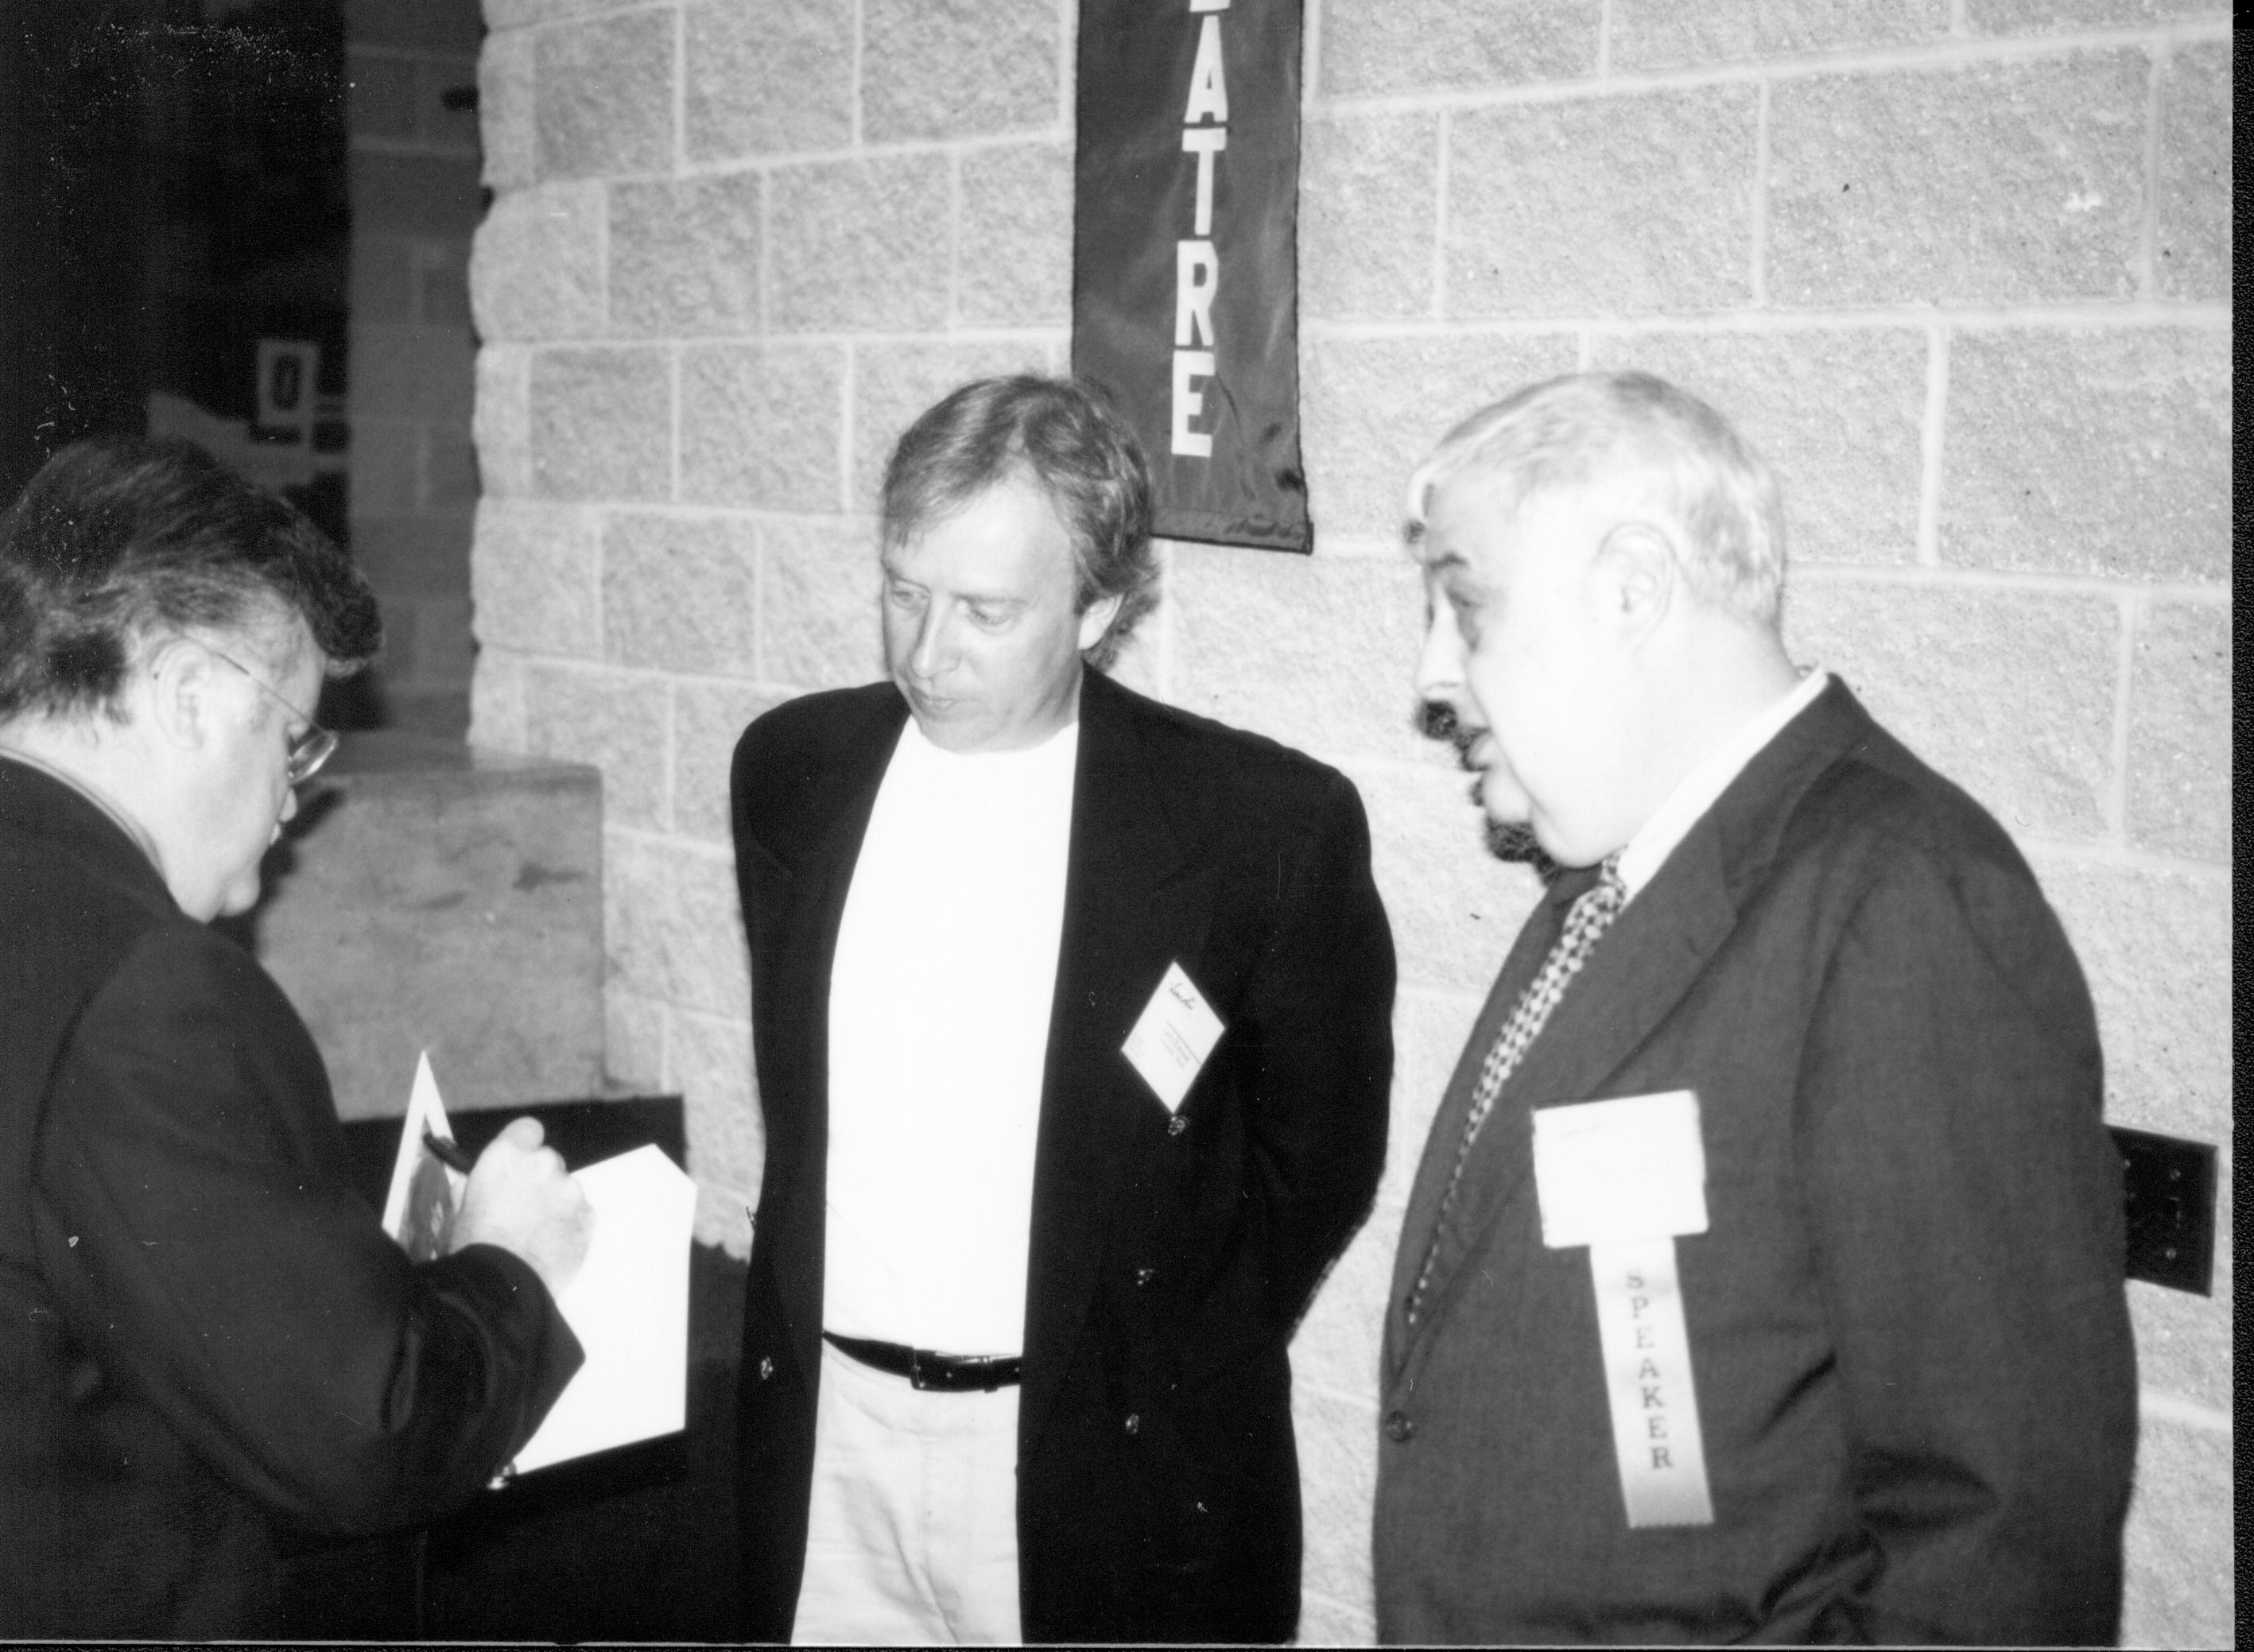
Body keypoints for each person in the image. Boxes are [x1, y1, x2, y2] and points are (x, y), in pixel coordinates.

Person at [1375, 372, 2136, 1643]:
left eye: (1463, 605)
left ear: (1631, 588)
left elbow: (1997, 1542)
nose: (1432, 674)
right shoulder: (1621, 874)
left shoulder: (1904, 897)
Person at [729, 374, 1395, 1643]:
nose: (928, 653)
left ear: (1098, 607)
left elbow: (1317, 1163)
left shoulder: (1261, 827)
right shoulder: (791, 773)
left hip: (1102, 1463)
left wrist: (1154, 1342)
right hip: (832, 1450)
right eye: (903, 592)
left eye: (985, 610)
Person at [0, 436, 593, 1637]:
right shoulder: (149, 990)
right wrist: (508, 1264)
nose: (291, 797)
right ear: (184, 694)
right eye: (293, 739)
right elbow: (362, 1430)